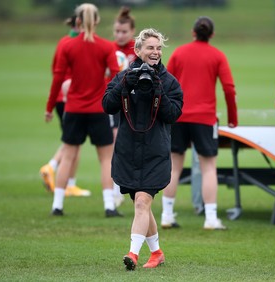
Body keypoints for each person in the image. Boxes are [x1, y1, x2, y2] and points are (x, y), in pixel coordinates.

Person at [102, 28, 183, 270]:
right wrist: (125, 84)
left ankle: (132, 254)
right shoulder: (124, 76)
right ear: (138, 51)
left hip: (155, 152)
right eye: (150, 47)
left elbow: (173, 114)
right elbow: (107, 105)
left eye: (159, 48)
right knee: (141, 205)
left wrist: (158, 90)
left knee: (142, 203)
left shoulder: (169, 81)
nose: (156, 52)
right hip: (128, 152)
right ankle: (156, 252)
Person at [45, 3, 121, 217]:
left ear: (77, 21)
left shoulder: (68, 46)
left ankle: (57, 205)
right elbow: (116, 76)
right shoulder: (106, 47)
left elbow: (58, 78)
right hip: (99, 110)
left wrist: (50, 107)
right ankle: (109, 206)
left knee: (68, 156)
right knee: (105, 158)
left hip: (74, 108)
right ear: (96, 21)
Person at [164, 16, 238, 230]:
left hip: (178, 117)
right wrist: (233, 118)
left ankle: (167, 215)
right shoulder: (217, 55)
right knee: (208, 168)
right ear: (211, 35)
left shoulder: (179, 52)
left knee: (174, 167)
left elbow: (166, 84)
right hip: (205, 119)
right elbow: (229, 88)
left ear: (192, 32)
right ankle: (210, 218)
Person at [40, 15, 91, 197]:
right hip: (73, 97)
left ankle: (53, 168)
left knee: (71, 141)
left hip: (62, 98)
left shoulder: (63, 41)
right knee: (73, 143)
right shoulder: (77, 43)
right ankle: (67, 182)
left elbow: (55, 69)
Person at [109, 6, 137, 207]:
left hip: (135, 103)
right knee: (117, 144)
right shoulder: (108, 49)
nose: (120, 35)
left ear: (132, 32)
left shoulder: (138, 49)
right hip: (116, 101)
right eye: (117, 31)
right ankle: (116, 189)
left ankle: (134, 185)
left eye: (124, 31)